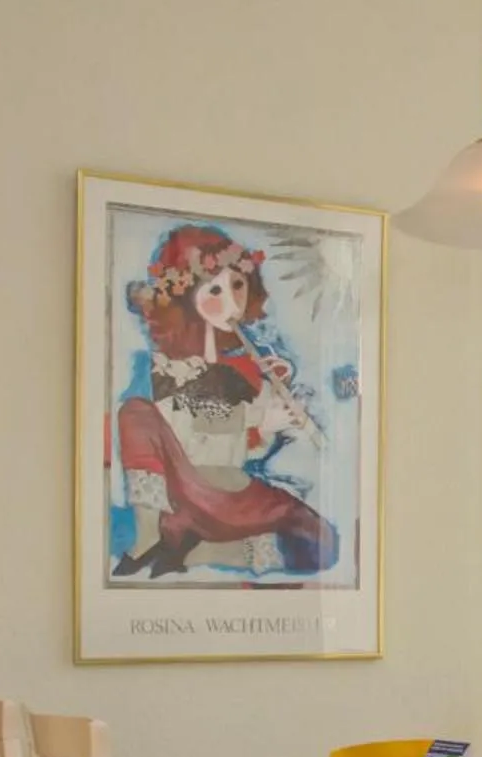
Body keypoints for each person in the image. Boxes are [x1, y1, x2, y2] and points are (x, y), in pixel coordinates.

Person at [111, 224, 338, 580]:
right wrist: (256, 418)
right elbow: (181, 429)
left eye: (238, 285)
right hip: (183, 490)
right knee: (135, 412)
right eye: (215, 289)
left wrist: (273, 426)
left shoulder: (249, 368)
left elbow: (250, 452)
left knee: (319, 542)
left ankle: (200, 552)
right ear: (188, 296)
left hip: (232, 494)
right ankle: (147, 536)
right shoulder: (168, 365)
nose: (231, 302)